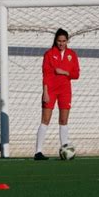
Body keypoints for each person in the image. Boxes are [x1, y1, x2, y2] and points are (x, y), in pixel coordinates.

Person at [34, 28, 80, 160]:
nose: (61, 43)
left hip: (65, 91)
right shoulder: (49, 54)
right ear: (55, 41)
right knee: (45, 120)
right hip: (51, 91)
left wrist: (64, 72)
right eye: (59, 41)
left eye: (64, 41)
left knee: (64, 120)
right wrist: (45, 92)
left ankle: (65, 149)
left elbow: (76, 74)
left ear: (67, 41)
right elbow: (46, 75)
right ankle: (38, 152)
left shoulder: (72, 54)